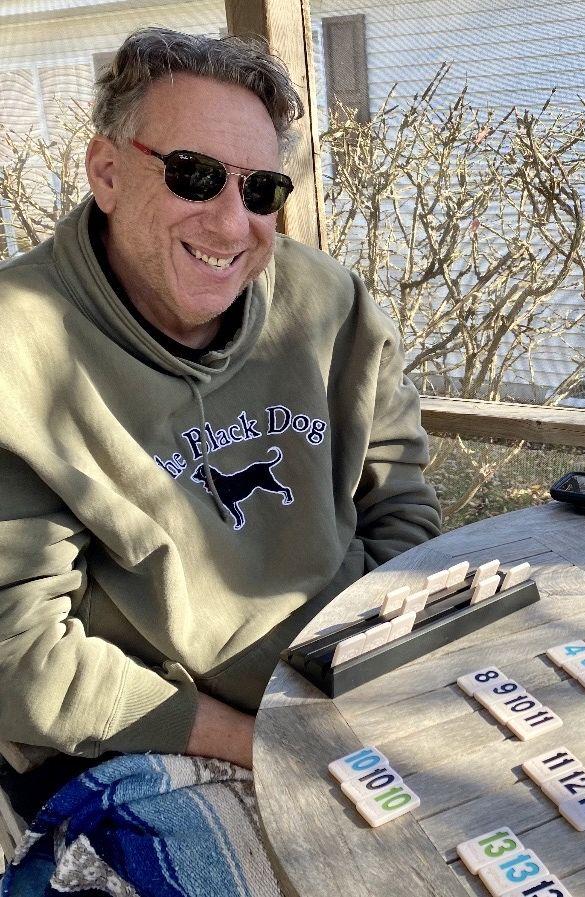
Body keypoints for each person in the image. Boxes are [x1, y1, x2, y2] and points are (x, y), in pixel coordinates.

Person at [0, 27, 441, 818]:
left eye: (262, 189)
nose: (232, 224)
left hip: (357, 685)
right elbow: (18, 658)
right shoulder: (17, 354)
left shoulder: (328, 304)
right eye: (194, 176)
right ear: (106, 171)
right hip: (161, 739)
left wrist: (370, 659)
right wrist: (256, 738)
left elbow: (399, 497)